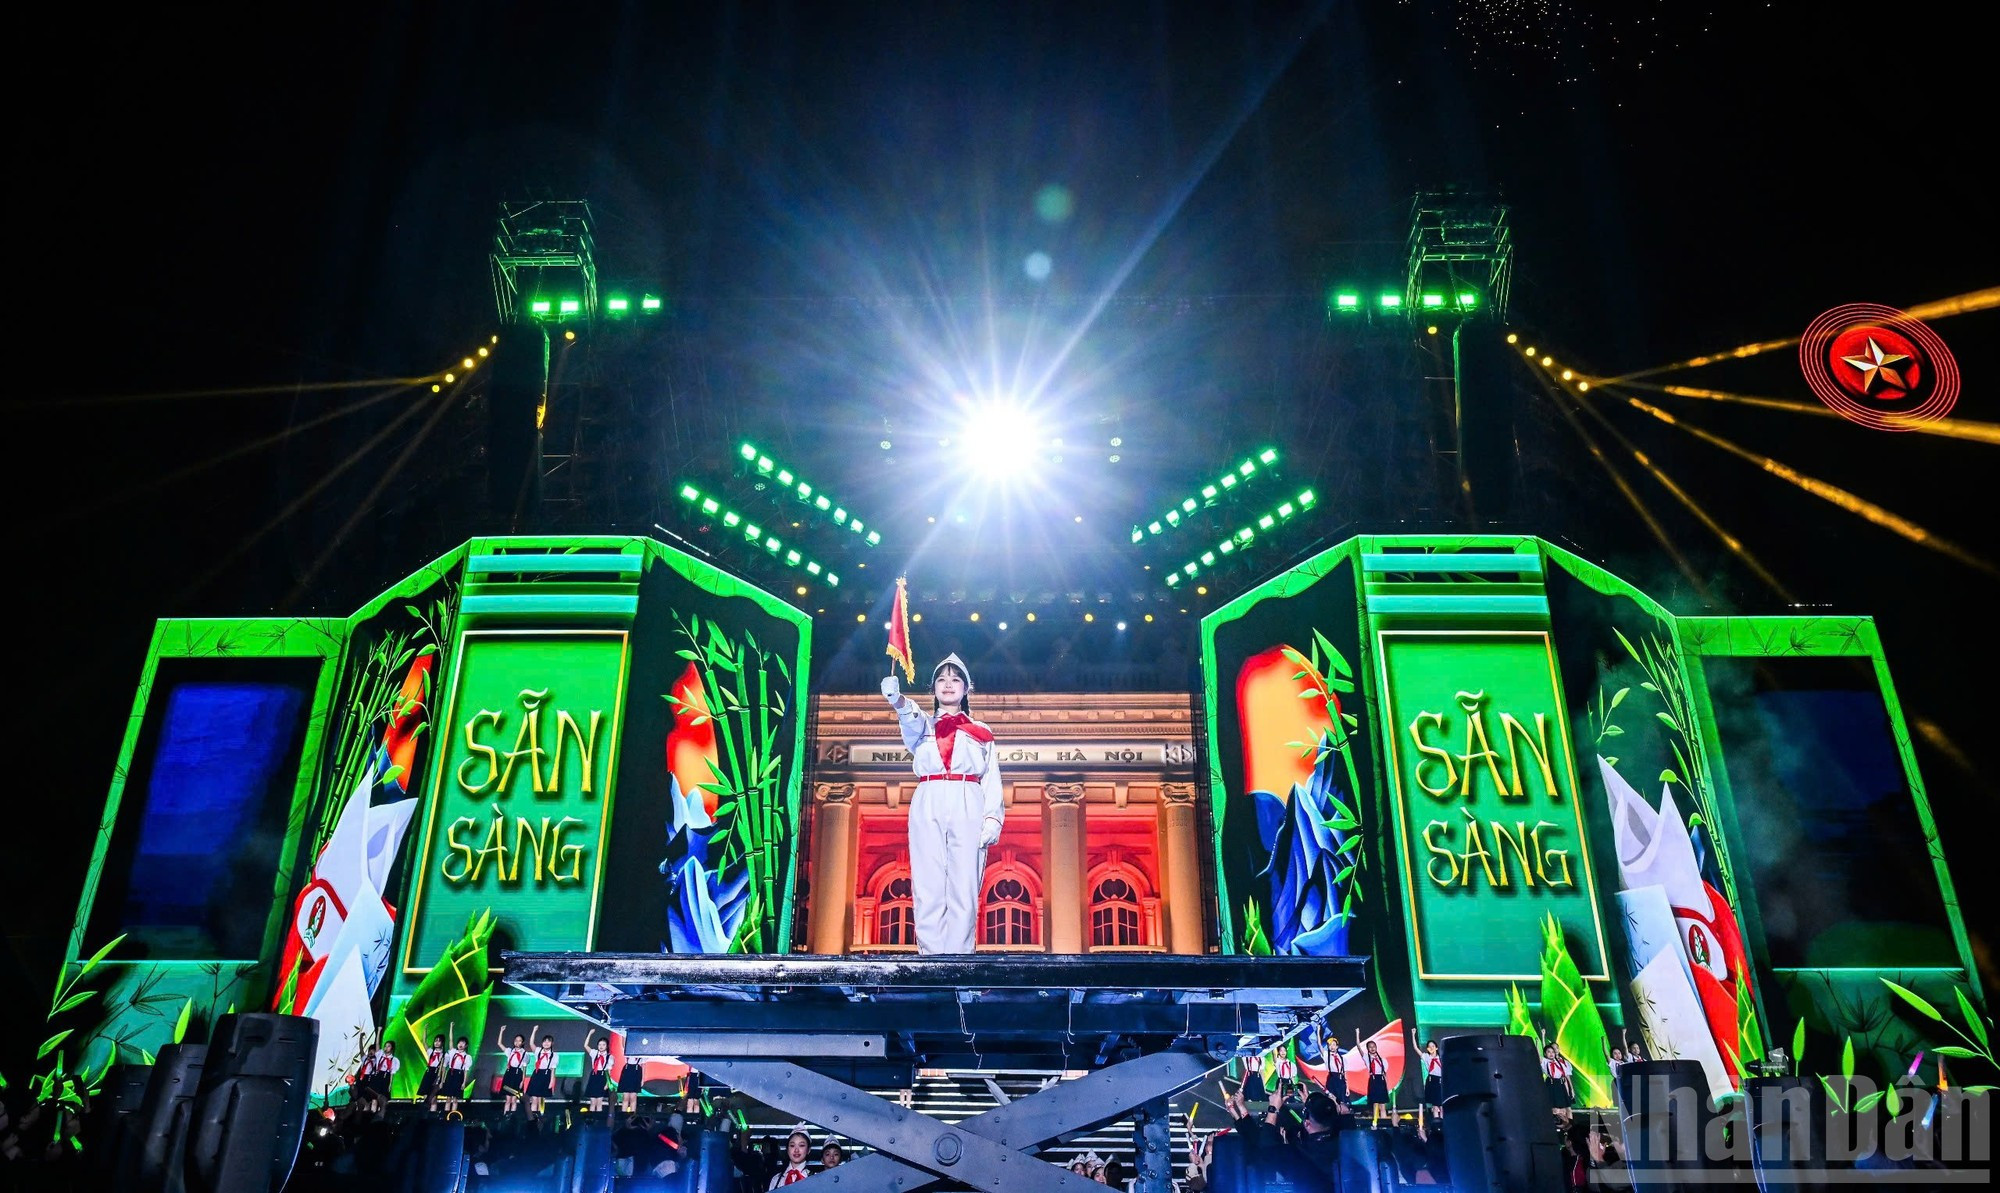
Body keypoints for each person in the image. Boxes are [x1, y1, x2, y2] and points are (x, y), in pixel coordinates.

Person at [880, 654, 1004, 954]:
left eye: (955, 679)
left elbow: (991, 778)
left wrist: (992, 819)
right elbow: (909, 717)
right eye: (942, 679)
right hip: (930, 795)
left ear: (966, 688)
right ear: (933, 688)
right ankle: (931, 958)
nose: (948, 685)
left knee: (964, 884)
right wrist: (897, 700)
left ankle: (959, 959)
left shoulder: (981, 732)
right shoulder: (923, 726)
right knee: (928, 881)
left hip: (967, 797)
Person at [1412, 1033, 1443, 1129]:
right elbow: (1416, 1048)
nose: (1431, 1048)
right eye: (1429, 1047)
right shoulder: (1426, 1057)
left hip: (1441, 1081)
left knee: (1442, 1105)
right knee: (1435, 1106)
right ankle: (1437, 1125)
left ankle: (1443, 1124)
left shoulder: (1441, 1058)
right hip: (1431, 1081)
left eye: (1433, 1046)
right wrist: (1413, 1035)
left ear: (1436, 1048)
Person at [527, 1035, 558, 1116]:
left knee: (541, 1099)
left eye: (548, 1041)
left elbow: (553, 1070)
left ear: (552, 1043)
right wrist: (534, 1031)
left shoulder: (554, 1055)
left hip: (546, 1075)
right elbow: (531, 1043)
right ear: (542, 1043)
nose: (546, 1043)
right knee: (534, 1098)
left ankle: (540, 1116)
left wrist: (551, 1081)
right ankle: (532, 1117)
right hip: (537, 1074)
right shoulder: (538, 1051)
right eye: (545, 1041)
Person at [1362, 1038, 1390, 1127]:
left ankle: (1384, 1124)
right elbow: (1359, 1048)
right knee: (1375, 1104)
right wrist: (1357, 1035)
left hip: (1381, 1081)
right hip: (1373, 1081)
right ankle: (1375, 1124)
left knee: (1383, 1105)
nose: (1372, 1048)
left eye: (1374, 1046)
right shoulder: (1367, 1058)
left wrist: (1387, 1086)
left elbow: (1384, 1074)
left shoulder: (1383, 1060)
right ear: (1367, 1049)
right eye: (1370, 1047)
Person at [441, 1037, 472, 1116]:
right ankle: (445, 1116)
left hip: (459, 1076)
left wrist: (464, 1083)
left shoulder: (467, 1057)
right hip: (450, 1074)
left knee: (455, 1099)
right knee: (448, 1098)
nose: (460, 1044)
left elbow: (465, 1071)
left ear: (466, 1045)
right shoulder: (453, 1052)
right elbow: (451, 1040)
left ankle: (452, 1116)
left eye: (463, 1043)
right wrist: (451, 1027)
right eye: (459, 1043)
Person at [501, 1032, 529, 1115]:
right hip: (509, 1075)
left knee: (514, 1100)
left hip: (518, 1075)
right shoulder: (510, 1051)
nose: (517, 1042)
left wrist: (522, 1081)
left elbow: (524, 1069)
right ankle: (505, 1116)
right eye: (516, 1040)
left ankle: (512, 1117)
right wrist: (502, 1031)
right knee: (507, 1100)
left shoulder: (525, 1054)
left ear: (522, 1042)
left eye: (519, 1041)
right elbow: (499, 1043)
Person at [584, 1036, 613, 1114]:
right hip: (594, 1076)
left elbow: (609, 1071)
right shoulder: (594, 1053)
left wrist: (607, 1083)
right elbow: (585, 1046)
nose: (601, 1046)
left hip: (602, 1077)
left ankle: (597, 1119)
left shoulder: (609, 1057)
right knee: (593, 1101)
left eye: (603, 1044)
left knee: (599, 1102)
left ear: (607, 1046)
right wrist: (590, 1034)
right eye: (599, 1044)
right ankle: (591, 1119)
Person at [1542, 1043, 1575, 1110]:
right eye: (1552, 1049)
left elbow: (1567, 1076)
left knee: (1567, 1108)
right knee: (1556, 1109)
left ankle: (1568, 1120)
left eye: (1556, 1048)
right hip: (1553, 1084)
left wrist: (1571, 1089)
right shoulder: (1547, 1061)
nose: (1555, 1050)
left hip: (1563, 1084)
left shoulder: (1563, 1062)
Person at [419, 1035, 448, 1111]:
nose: (437, 1043)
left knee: (433, 1097)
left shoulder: (445, 1055)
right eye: (435, 1041)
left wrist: (442, 1081)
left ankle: (431, 1114)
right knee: (426, 1095)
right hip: (428, 1074)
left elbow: (443, 1069)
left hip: (437, 1075)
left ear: (442, 1043)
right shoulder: (431, 1051)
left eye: (439, 1041)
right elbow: (424, 1042)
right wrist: (425, 1030)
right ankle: (425, 1114)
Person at [618, 1042, 646, 1114]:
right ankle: (623, 1115)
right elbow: (623, 1043)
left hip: (636, 1071)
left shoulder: (642, 1052)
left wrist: (642, 1078)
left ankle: (632, 1115)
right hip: (627, 1071)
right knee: (625, 1097)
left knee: (633, 1097)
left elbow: (643, 1065)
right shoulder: (627, 1049)